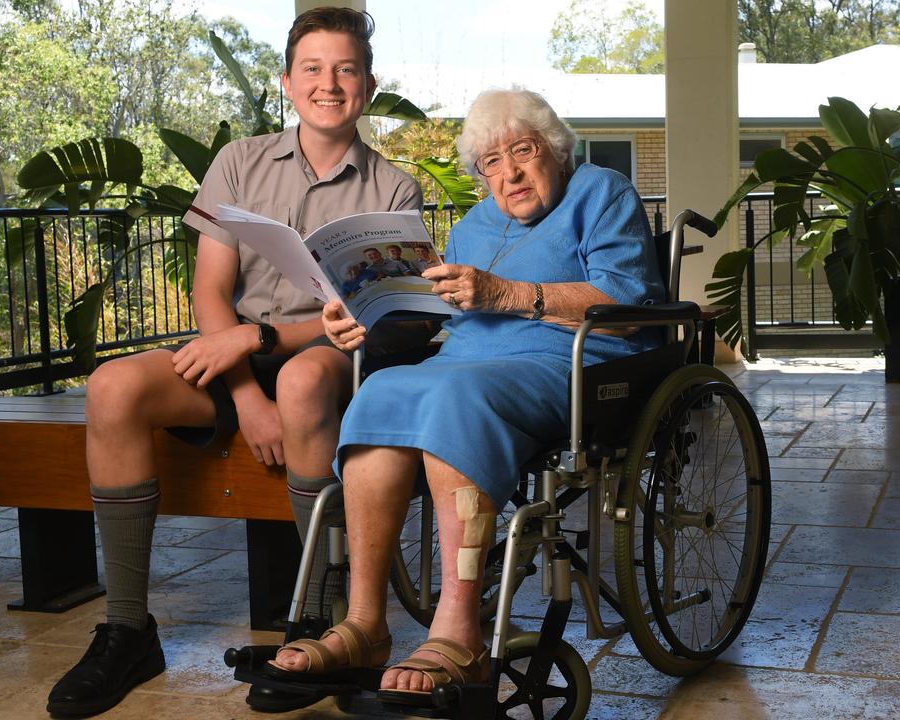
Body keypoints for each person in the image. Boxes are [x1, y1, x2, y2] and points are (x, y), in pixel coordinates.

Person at [45, 8, 422, 717]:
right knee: (113, 385)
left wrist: (259, 343)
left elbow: (363, 317)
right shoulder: (239, 163)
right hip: (235, 363)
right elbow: (211, 292)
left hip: (326, 358)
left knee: (308, 379)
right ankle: (128, 629)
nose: (328, 83)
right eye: (313, 68)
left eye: (345, 69)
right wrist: (248, 397)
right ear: (288, 81)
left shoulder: (395, 189)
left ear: (367, 85)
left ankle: (316, 621)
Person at [265, 88, 664, 703]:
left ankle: (460, 631)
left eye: (522, 151)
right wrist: (366, 316)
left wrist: (507, 295)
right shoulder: (475, 224)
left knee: (455, 397)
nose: (509, 172)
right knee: (380, 391)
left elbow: (630, 300)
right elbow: (436, 316)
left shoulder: (601, 193)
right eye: (491, 163)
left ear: (554, 150)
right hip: (461, 362)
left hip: (566, 364)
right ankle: (365, 624)